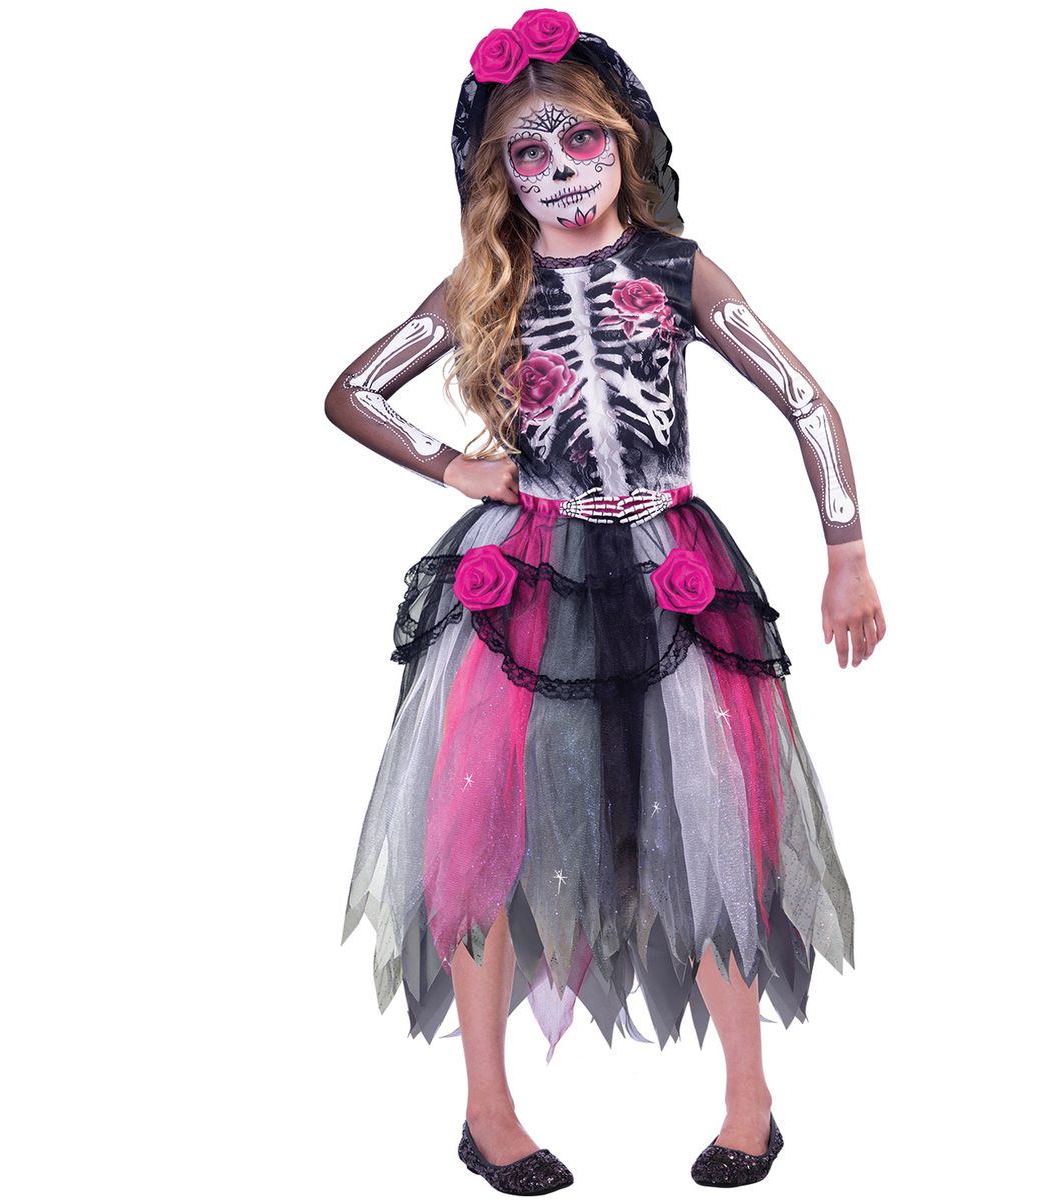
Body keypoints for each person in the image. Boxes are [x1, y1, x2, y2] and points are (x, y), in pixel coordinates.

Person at [325, 9, 885, 1193]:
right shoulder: (488, 281)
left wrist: (847, 550)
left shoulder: (678, 271)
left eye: (581, 139)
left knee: (710, 827)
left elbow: (806, 401)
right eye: (528, 153)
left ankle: (750, 1098)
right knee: (482, 829)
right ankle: (488, 1109)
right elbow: (355, 390)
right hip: (529, 573)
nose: (562, 170)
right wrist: (450, 464)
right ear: (500, 174)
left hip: (672, 566)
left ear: (626, 141)